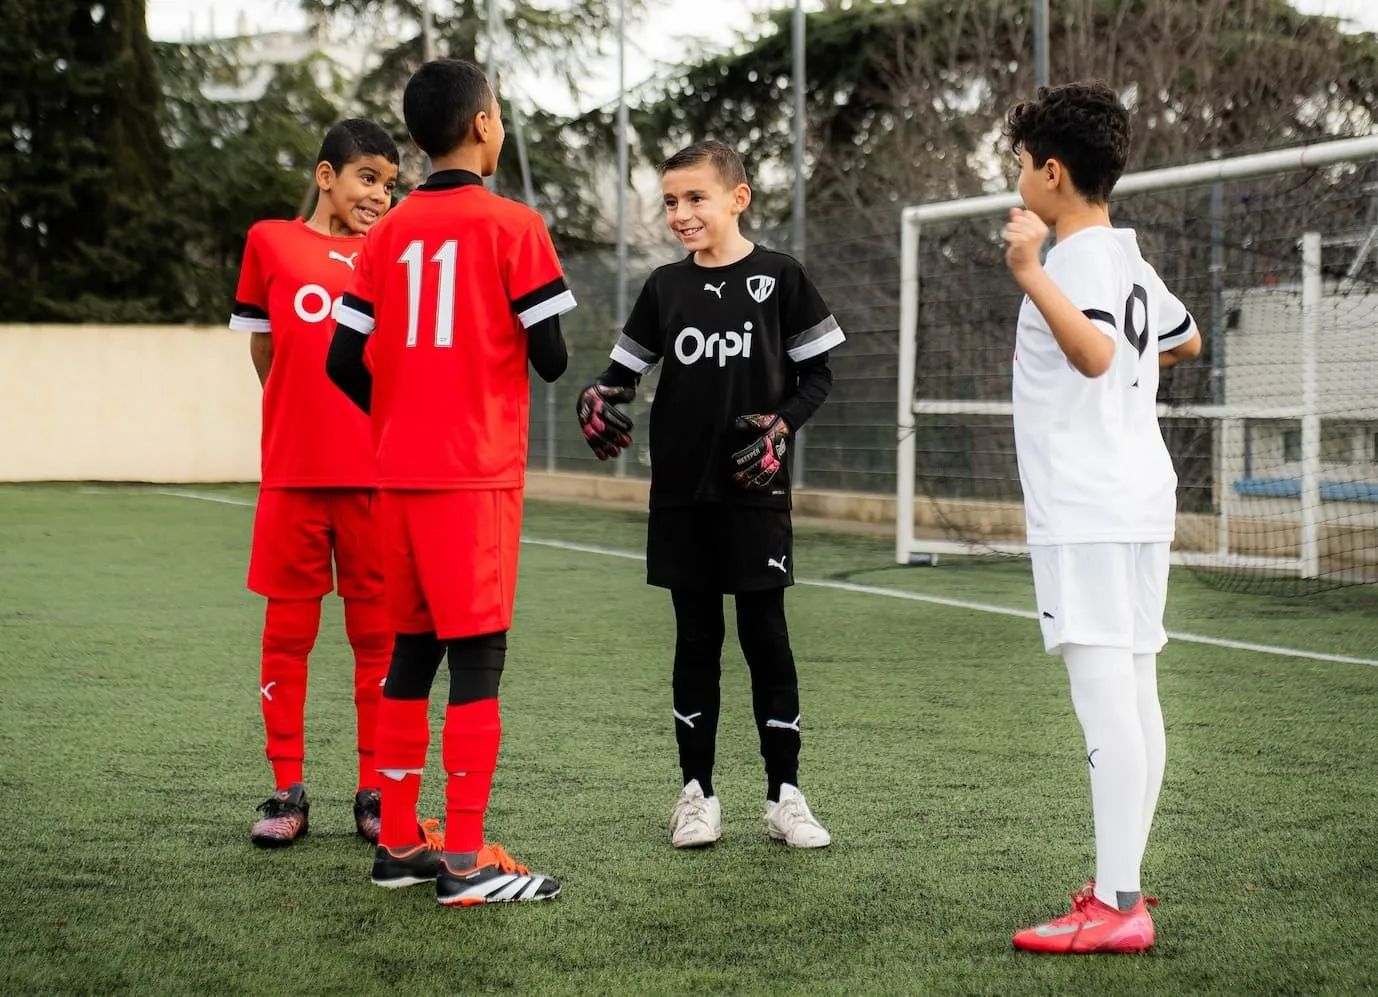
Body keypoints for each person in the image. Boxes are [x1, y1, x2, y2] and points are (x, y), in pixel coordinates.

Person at [327, 58, 572, 907]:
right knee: (478, 656)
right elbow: (552, 358)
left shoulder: (384, 235)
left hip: (397, 476)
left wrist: (401, 414)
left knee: (412, 651)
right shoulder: (515, 225)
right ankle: (466, 862)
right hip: (474, 477)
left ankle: (398, 844)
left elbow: (341, 360)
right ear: (483, 124)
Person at [577, 139, 843, 851]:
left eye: (696, 197)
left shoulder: (780, 277)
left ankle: (785, 796)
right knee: (695, 642)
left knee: (766, 638)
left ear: (738, 198)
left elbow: (818, 376)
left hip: (755, 493)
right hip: (680, 496)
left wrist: (782, 426)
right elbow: (619, 376)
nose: (681, 213)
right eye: (670, 201)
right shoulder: (665, 287)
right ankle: (697, 795)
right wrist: (595, 395)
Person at [1000, 81, 1202, 953]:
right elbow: (1186, 338)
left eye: (1021, 163)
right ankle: (1122, 884)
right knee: (1136, 691)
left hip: (1085, 504)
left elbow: (1090, 353)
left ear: (1052, 172)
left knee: (1105, 698)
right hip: (1137, 497)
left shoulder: (1075, 258)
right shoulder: (1126, 256)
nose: (1017, 177)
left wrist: (1029, 271)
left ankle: (1118, 905)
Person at [229, 119, 400, 848]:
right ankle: (287, 789)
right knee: (286, 637)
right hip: (294, 476)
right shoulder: (269, 241)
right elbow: (265, 350)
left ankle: (374, 791)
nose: (379, 196)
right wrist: (298, 416)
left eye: (389, 185)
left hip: (375, 480)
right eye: (368, 178)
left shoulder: (393, 251)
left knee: (378, 642)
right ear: (326, 176)